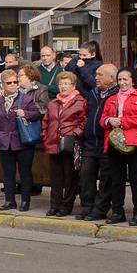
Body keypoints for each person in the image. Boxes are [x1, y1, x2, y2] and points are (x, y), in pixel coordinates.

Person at [101, 68, 137, 226]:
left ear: (133, 80)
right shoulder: (111, 98)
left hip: (136, 142)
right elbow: (102, 119)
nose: (122, 83)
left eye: (125, 79)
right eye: (119, 80)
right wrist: (110, 120)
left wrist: (122, 121)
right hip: (115, 143)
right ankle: (117, 212)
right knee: (117, 179)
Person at [0, 69, 42, 211]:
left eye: (15, 82)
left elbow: (37, 114)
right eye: (9, 83)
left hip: (23, 142)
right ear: (3, 85)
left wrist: (26, 113)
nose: (13, 85)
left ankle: (25, 201)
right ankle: (9, 200)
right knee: (8, 174)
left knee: (25, 173)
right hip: (5, 143)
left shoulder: (26, 99)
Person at [41, 71, 87, 218]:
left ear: (73, 86)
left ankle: (66, 205)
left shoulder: (80, 102)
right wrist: (45, 135)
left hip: (69, 144)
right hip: (53, 142)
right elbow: (46, 121)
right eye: (60, 84)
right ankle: (54, 205)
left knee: (70, 177)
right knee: (55, 178)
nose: (63, 87)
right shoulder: (53, 103)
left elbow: (83, 121)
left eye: (66, 84)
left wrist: (74, 134)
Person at [78, 63, 118, 221]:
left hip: (108, 143)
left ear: (111, 78)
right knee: (85, 175)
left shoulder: (116, 95)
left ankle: (100, 209)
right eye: (96, 74)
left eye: (100, 75)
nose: (96, 77)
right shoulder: (93, 93)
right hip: (90, 142)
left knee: (106, 179)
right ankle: (88, 206)